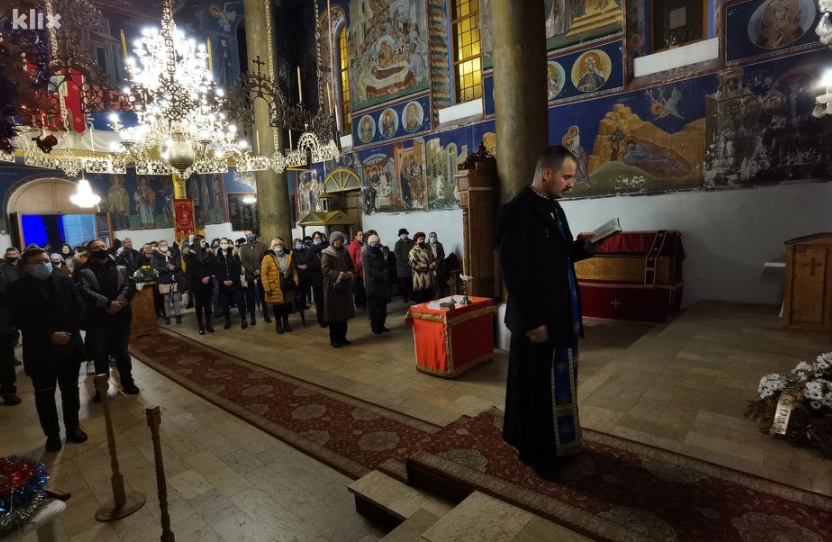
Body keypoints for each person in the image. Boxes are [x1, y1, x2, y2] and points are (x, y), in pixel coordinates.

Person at [495, 145, 596, 480]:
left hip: (560, 316)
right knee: (536, 390)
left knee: (556, 386)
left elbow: (558, 256)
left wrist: (583, 248)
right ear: (547, 173)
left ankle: (560, 444)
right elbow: (514, 274)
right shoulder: (515, 211)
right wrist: (533, 321)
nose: (571, 183)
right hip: (536, 321)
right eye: (567, 177)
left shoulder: (554, 208)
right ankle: (537, 454)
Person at [9, 248, 88, 451]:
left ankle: (73, 428)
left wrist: (66, 333)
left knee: (70, 390)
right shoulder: (17, 288)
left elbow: (78, 308)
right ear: (26, 266)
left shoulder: (65, 281)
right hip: (39, 348)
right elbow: (18, 318)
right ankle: (52, 434)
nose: (43, 264)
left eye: (45, 260)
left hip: (68, 345)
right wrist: (51, 334)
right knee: (44, 395)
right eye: (37, 262)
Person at [76, 239, 139, 403]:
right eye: (96, 248)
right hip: (98, 319)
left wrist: (119, 303)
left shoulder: (120, 265)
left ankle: (128, 382)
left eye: (103, 246)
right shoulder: (83, 270)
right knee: (101, 356)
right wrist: (108, 303)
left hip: (121, 316)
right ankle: (101, 389)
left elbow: (130, 285)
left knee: (122, 353)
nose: (101, 249)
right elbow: (83, 291)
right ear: (90, 252)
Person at [321, 231, 355, 348]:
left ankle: (343, 337)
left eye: (340, 240)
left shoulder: (345, 252)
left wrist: (349, 274)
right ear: (332, 241)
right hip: (332, 287)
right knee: (333, 315)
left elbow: (351, 266)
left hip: (344, 287)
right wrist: (341, 275)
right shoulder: (327, 253)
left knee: (343, 315)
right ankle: (334, 339)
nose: (338, 242)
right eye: (336, 240)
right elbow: (325, 269)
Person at [261, 237, 298, 334]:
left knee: (287, 304)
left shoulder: (288, 256)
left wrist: (296, 283)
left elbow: (294, 271)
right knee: (277, 305)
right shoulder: (267, 257)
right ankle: (278, 324)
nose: (278, 246)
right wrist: (267, 288)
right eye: (276, 244)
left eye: (280, 244)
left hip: (287, 284)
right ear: (272, 246)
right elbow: (264, 274)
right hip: (274, 285)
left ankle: (286, 323)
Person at [182, 236, 216, 335]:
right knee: (199, 304)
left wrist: (208, 276)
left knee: (208, 304)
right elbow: (191, 268)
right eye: (202, 241)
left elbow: (213, 265)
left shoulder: (209, 252)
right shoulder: (189, 254)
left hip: (208, 281)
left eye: (204, 241)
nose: (204, 243)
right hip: (197, 282)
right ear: (197, 243)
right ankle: (200, 325)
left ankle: (209, 323)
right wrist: (201, 277)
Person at [239, 229, 270, 324]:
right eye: (246, 235)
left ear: (254, 234)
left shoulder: (261, 245)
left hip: (261, 274)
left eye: (250, 234)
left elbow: (265, 259)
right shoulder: (243, 247)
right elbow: (243, 261)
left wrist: (259, 270)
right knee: (250, 297)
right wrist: (253, 270)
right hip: (250, 275)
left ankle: (266, 315)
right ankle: (253, 317)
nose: (248, 236)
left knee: (263, 295)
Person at [215, 238, 247, 329]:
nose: (224, 244)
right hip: (223, 284)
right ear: (220, 244)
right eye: (222, 243)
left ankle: (243, 319)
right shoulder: (217, 256)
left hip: (235, 283)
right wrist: (223, 281)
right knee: (224, 304)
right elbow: (216, 271)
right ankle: (227, 320)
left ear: (228, 244)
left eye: (225, 243)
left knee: (240, 302)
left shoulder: (234, 254)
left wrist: (232, 280)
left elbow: (238, 269)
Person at [362, 234, 390, 335]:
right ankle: (375, 326)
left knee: (383, 308)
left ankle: (381, 325)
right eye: (374, 243)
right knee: (374, 309)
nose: (376, 245)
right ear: (370, 243)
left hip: (381, 284)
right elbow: (368, 269)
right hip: (372, 284)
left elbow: (385, 265)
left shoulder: (379, 252)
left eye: (377, 243)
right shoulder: (365, 254)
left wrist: (385, 273)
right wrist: (381, 275)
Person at [0, 272, 20, 405]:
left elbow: (13, 304)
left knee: (6, 362)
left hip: (3, 328)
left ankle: (8, 392)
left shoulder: (3, 280)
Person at [152, 240, 184, 325]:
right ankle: (168, 317)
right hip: (163, 280)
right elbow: (155, 268)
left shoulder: (173, 253)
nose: (164, 246)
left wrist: (173, 265)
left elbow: (179, 264)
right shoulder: (155, 255)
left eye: (165, 244)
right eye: (162, 245)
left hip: (174, 278)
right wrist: (167, 268)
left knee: (176, 298)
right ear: (159, 246)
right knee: (166, 299)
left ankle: (178, 316)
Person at [408, 232, 436, 303]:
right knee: (421, 302)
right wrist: (427, 266)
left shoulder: (427, 250)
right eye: (420, 239)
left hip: (429, 279)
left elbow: (433, 259)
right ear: (416, 241)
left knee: (429, 301)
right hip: (420, 280)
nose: (422, 241)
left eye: (423, 239)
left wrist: (434, 264)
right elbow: (414, 264)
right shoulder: (413, 251)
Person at [308, 231, 328, 327]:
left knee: (328, 300)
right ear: (313, 239)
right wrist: (321, 265)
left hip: (327, 278)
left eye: (319, 237)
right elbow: (309, 264)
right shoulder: (311, 250)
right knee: (320, 301)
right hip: (317, 279)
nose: (318, 239)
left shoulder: (327, 247)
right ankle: (322, 320)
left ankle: (330, 318)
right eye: (316, 238)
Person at [292, 237, 313, 311]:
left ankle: (303, 304)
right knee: (298, 290)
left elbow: (309, 259)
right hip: (298, 273)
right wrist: (298, 266)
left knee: (304, 290)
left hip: (306, 273)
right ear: (295, 245)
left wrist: (307, 265)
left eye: (300, 243)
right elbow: (292, 262)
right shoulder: (292, 252)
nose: (299, 245)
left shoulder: (306, 251)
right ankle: (297, 305)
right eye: (297, 243)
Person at [348, 231, 366, 310]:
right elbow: (351, 259)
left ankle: (364, 303)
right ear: (356, 236)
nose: (361, 236)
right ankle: (359, 304)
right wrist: (355, 269)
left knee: (363, 288)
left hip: (364, 270)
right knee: (358, 289)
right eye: (360, 235)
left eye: (362, 235)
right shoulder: (353, 245)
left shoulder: (363, 244)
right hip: (357, 271)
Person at [393, 228, 413, 302]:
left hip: (411, 265)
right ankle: (405, 297)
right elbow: (397, 255)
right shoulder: (398, 243)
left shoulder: (411, 242)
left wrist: (411, 260)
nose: (403, 235)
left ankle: (412, 296)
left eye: (404, 233)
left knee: (411, 283)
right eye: (402, 234)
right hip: (401, 267)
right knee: (404, 284)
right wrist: (405, 261)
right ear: (400, 235)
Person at [428, 232, 446, 298]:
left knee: (438, 283)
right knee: (431, 283)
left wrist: (436, 262)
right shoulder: (426, 245)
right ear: (429, 237)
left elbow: (442, 255)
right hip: (429, 266)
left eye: (434, 236)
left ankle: (439, 297)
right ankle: (431, 297)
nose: (433, 238)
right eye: (431, 236)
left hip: (438, 266)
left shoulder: (439, 245)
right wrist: (430, 264)